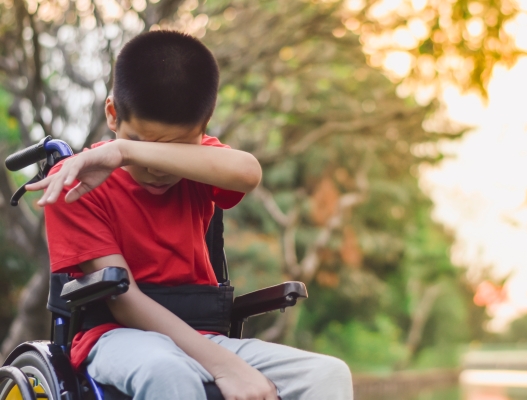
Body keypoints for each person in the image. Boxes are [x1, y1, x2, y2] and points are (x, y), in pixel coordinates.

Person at [28, 30, 353, 400]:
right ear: (112, 114)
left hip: (206, 333)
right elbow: (124, 300)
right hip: (117, 335)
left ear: (204, 129)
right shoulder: (74, 181)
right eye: (141, 143)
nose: (158, 169)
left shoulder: (201, 164)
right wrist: (224, 366)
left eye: (178, 148)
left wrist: (127, 153)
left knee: (327, 374)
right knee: (168, 371)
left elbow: (249, 171)